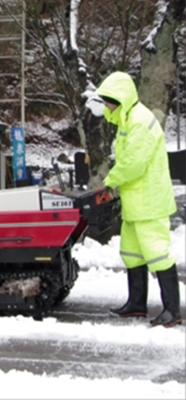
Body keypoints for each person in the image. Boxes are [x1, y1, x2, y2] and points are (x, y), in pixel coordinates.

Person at [96, 71, 182, 327]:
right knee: (132, 253)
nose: (107, 106)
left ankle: (172, 310)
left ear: (121, 98)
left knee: (157, 253)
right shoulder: (127, 119)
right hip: (136, 201)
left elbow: (133, 163)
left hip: (149, 202)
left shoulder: (140, 121)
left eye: (109, 100)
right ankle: (136, 303)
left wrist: (109, 182)